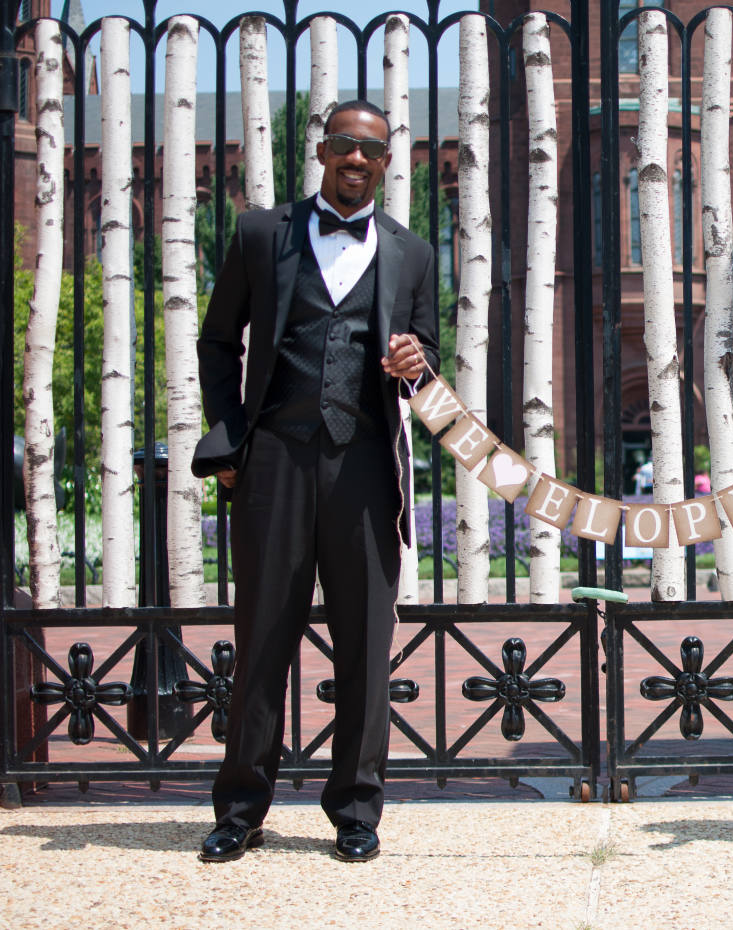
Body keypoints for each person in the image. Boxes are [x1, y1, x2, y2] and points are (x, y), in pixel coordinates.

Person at [192, 100, 438, 863]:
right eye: (342, 145)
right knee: (263, 634)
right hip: (274, 461)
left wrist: (415, 363)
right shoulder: (261, 234)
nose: (354, 160)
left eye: (369, 149)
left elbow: (427, 351)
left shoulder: (414, 252)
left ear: (386, 163)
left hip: (365, 464)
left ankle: (357, 810)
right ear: (322, 152)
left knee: (365, 641)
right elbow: (215, 341)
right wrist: (230, 438)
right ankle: (241, 809)